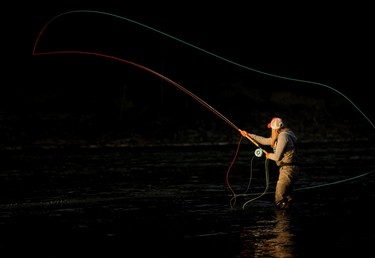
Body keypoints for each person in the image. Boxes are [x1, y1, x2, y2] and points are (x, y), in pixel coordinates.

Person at [240, 117, 299, 209]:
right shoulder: (284, 135)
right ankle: (287, 221)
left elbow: (277, 156)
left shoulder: (283, 137)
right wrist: (248, 135)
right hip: (290, 169)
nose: (271, 130)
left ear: (274, 128)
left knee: (279, 199)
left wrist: (268, 155)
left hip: (287, 170)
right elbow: (265, 141)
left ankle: (281, 221)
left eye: (271, 128)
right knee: (287, 199)